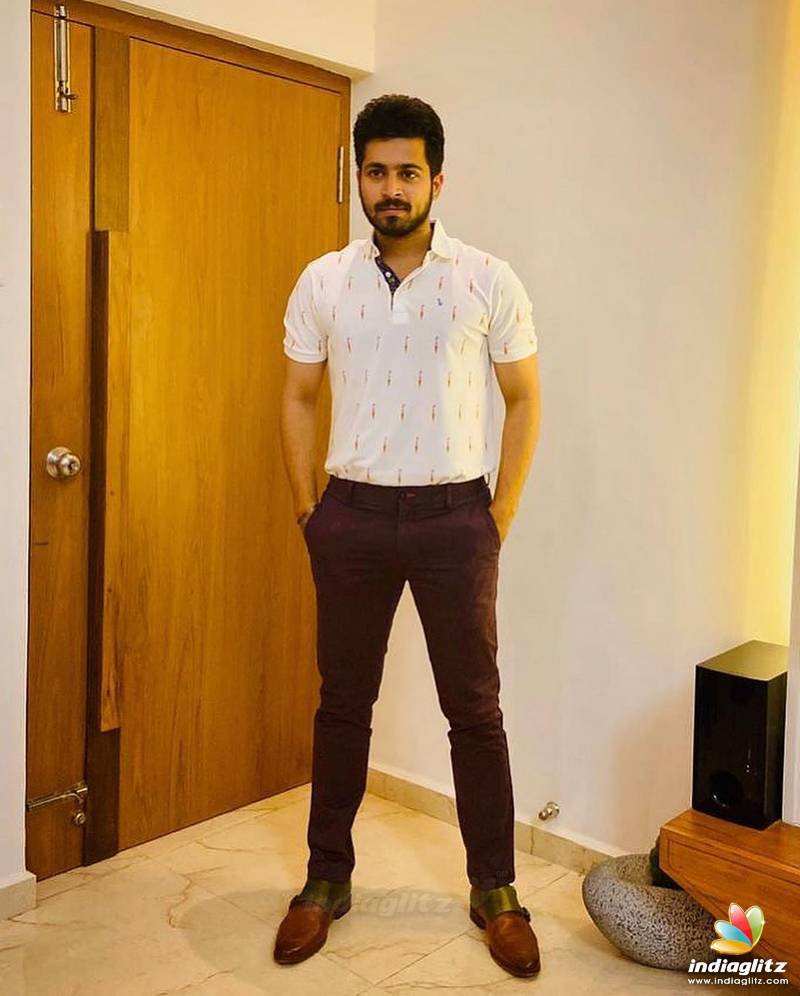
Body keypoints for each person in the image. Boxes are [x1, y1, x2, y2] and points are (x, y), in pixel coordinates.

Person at [275, 93, 541, 978]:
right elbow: (298, 396)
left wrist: (497, 515)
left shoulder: (487, 279)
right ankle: (325, 879)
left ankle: (496, 890)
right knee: (342, 704)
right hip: (349, 516)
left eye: (408, 172)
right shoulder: (323, 280)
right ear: (359, 177)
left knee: (476, 711)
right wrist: (310, 511)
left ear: (437, 180)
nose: (391, 188)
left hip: (454, 519)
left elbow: (524, 398)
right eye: (377, 171)